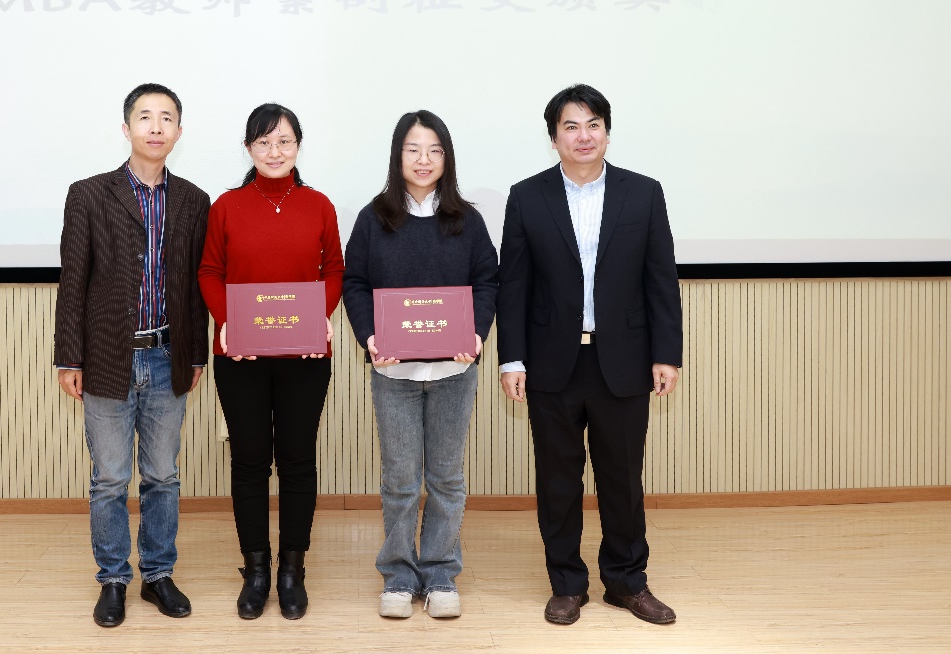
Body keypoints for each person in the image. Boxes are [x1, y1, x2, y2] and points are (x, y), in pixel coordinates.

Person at [497, 84, 683, 626]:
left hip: (622, 360)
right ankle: (566, 584)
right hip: (551, 362)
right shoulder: (527, 196)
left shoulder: (643, 193)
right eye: (571, 126)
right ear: (554, 136)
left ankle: (627, 582)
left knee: (622, 478)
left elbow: (660, 279)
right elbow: (514, 287)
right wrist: (512, 359)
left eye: (593, 124)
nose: (584, 136)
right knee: (558, 480)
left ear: (607, 131)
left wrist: (666, 353)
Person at [53, 83, 211, 627]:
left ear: (179, 132)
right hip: (106, 358)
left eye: (166, 118)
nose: (155, 126)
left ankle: (158, 575)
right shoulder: (89, 194)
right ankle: (113, 580)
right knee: (110, 478)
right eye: (145, 117)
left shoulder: (193, 200)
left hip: (168, 356)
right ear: (126, 129)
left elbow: (195, 286)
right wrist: (68, 357)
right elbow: (73, 281)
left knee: (163, 476)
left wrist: (196, 355)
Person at [342, 111, 498, 619]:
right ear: (398, 156)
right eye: (413, 149)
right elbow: (354, 282)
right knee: (401, 480)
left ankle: (440, 572)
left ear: (446, 157)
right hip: (394, 375)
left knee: (447, 478)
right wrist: (370, 337)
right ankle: (398, 575)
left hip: (454, 372)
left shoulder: (467, 220)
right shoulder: (374, 218)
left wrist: (475, 334)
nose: (424, 159)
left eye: (434, 150)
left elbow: (487, 282)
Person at [197, 103, 344, 620]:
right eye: (263, 142)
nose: (274, 151)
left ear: (298, 146)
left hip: (306, 353)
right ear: (248, 149)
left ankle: (292, 571)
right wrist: (227, 321)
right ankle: (256, 571)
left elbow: (334, 271)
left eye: (284, 141)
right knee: (250, 461)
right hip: (241, 354)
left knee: (298, 459)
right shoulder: (226, 206)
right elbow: (210, 271)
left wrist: (320, 316)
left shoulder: (319, 204)